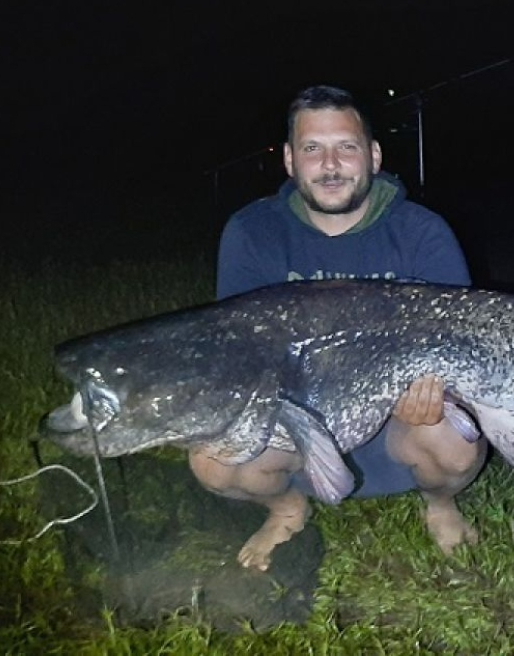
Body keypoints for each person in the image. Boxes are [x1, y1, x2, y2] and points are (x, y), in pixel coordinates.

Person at [191, 84, 487, 571]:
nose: (330, 165)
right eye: (313, 149)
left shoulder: (422, 233)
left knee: (455, 444)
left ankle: (440, 503)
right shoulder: (252, 234)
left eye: (345, 147)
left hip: (400, 430)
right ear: (289, 159)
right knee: (213, 460)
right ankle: (287, 507)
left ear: (372, 155)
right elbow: (241, 356)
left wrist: (436, 396)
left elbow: (462, 349)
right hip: (296, 438)